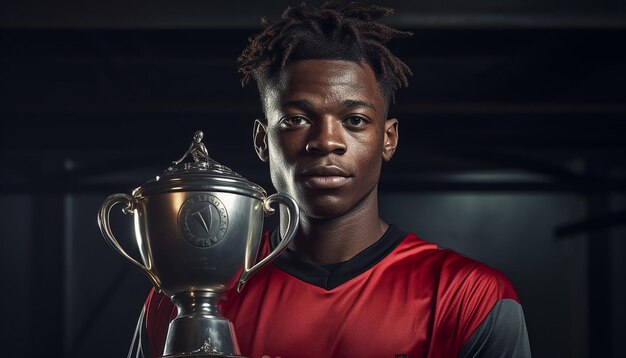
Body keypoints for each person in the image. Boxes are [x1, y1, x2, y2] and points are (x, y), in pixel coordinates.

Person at [136, 1, 531, 357]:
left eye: (354, 120)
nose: (325, 142)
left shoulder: (470, 297)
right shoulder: (184, 297)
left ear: (387, 139)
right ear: (262, 141)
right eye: (296, 120)